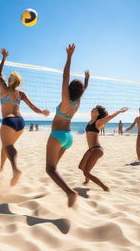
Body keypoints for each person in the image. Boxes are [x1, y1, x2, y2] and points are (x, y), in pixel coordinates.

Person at [0, 48, 50, 186]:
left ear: (10, 80)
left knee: (7, 145)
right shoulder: (21, 93)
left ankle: (15, 170)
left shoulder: (4, 88)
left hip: (8, 120)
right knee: (8, 146)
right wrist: (42, 112)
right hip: (20, 123)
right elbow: (33, 107)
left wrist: (3, 58)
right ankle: (2, 167)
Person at [46, 44, 89, 207]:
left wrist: (69, 56)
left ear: (70, 89)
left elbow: (65, 77)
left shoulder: (65, 101)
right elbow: (83, 90)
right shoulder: (77, 102)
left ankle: (70, 193)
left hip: (57, 136)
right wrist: (86, 80)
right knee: (54, 167)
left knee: (49, 169)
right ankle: (62, 190)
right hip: (68, 137)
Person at [79, 106, 128, 191]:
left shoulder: (98, 122)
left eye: (95, 110)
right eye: (93, 109)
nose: (92, 110)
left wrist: (119, 111)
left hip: (97, 149)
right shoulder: (90, 121)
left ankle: (105, 187)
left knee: (86, 172)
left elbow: (109, 117)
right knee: (81, 166)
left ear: (98, 114)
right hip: (91, 149)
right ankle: (87, 180)